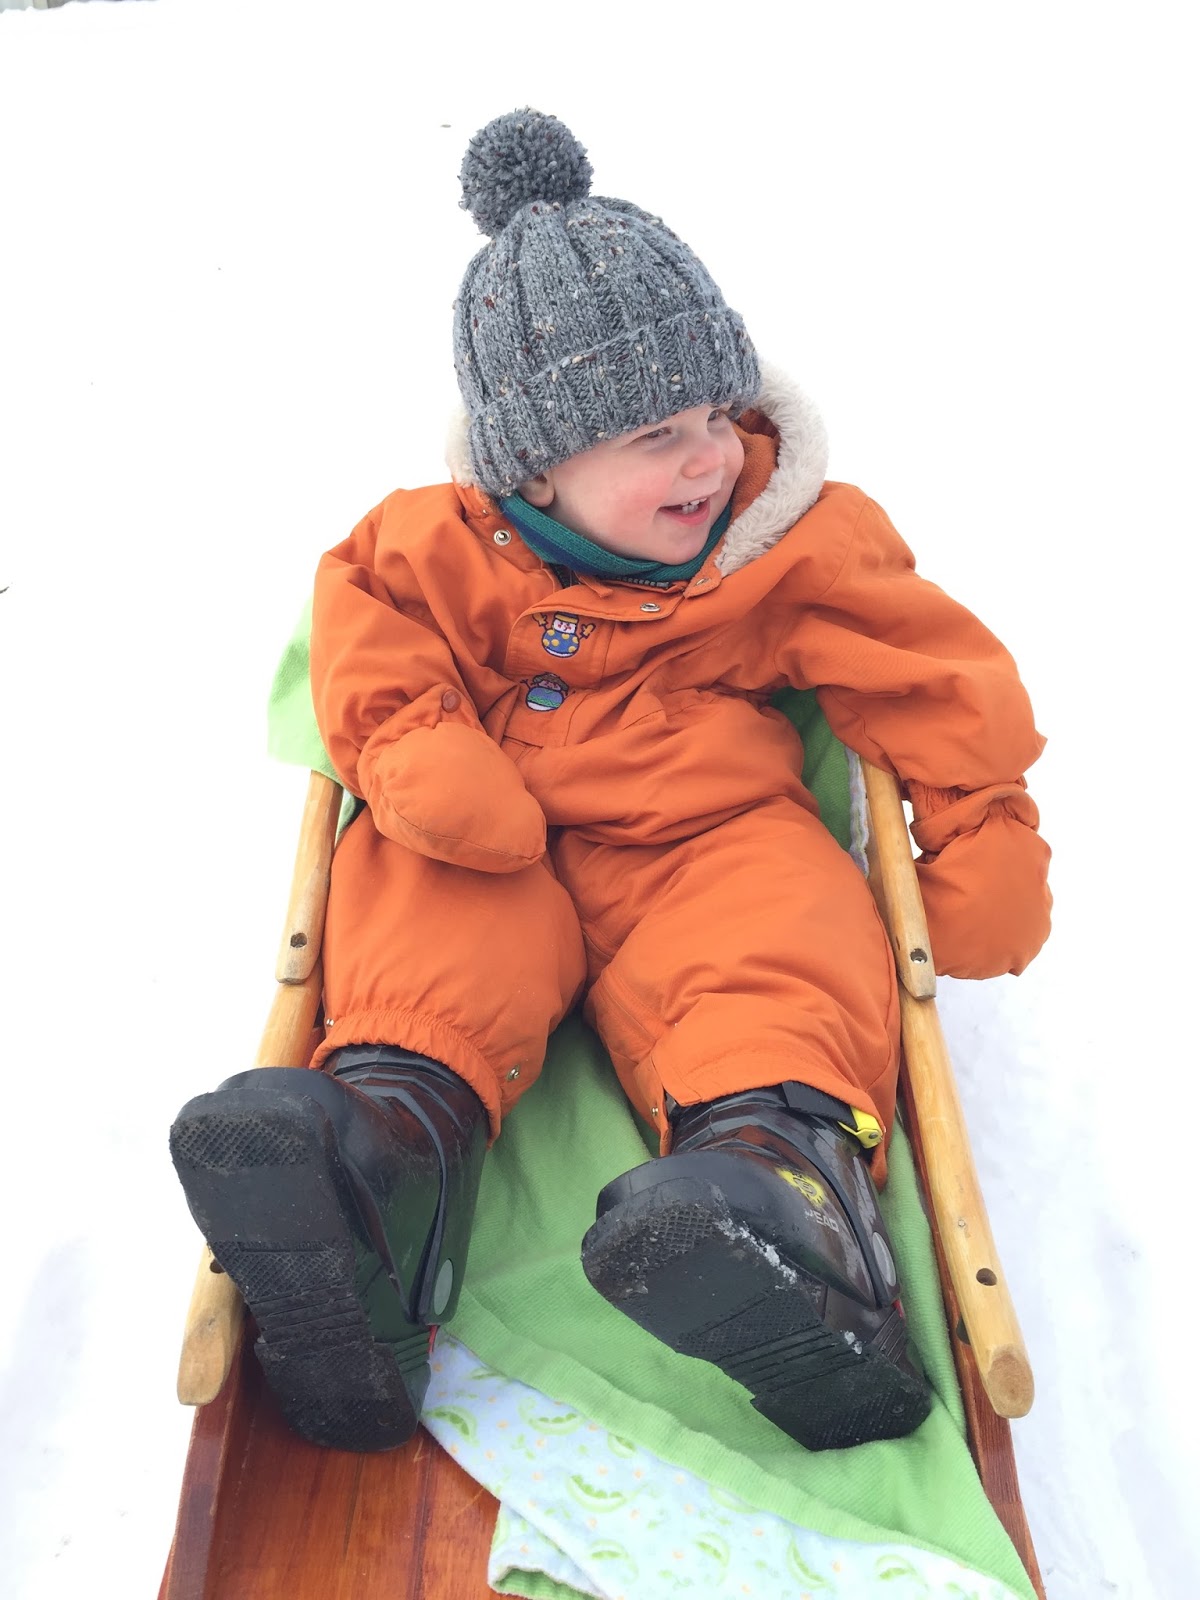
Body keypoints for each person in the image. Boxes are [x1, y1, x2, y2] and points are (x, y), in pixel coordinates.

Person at [170, 109, 1051, 1458]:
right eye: (653, 436)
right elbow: (363, 628)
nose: (708, 458)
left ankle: (776, 1196)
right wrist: (413, 750)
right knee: (421, 907)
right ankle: (384, 1159)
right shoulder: (435, 540)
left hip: (704, 823)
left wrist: (983, 826)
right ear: (534, 463)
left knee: (768, 933)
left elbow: (925, 669)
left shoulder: (790, 537)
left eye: (716, 415)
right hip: (500, 828)